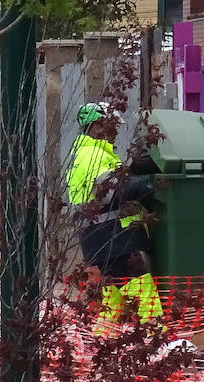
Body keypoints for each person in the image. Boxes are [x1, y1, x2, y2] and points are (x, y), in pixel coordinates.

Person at [66, 101, 163, 324]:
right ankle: (155, 337)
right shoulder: (93, 154)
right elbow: (114, 190)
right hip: (113, 239)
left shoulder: (86, 153)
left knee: (113, 304)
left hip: (99, 240)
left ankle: (101, 343)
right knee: (142, 293)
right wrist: (149, 187)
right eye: (112, 126)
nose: (115, 132)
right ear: (97, 125)